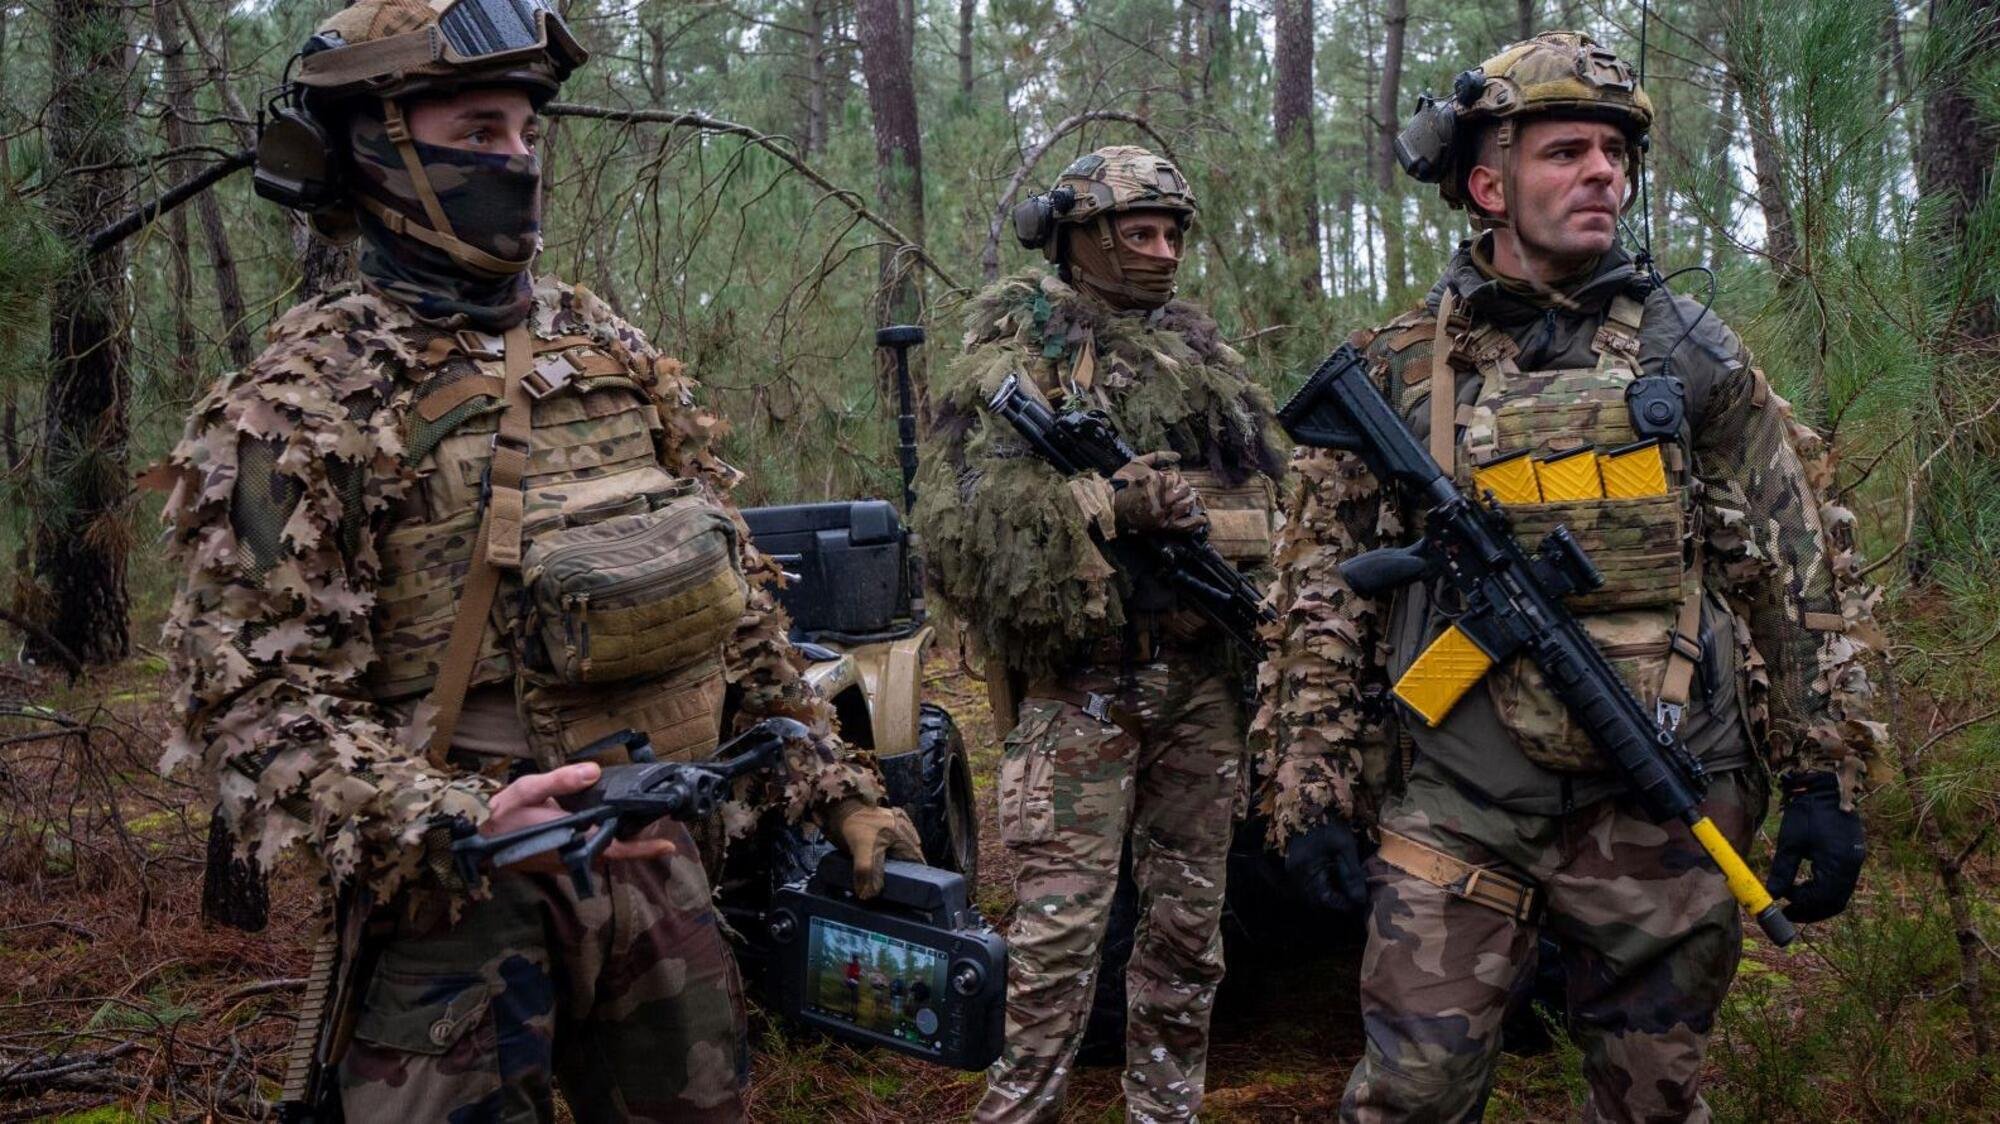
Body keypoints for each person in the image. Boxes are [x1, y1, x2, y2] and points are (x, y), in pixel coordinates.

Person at [159, 1, 920, 1119]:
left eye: (526, 133)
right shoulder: (301, 400)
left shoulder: (604, 346)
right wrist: (453, 820)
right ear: (371, 152)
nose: (515, 161)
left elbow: (734, 608)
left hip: (662, 874)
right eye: (477, 132)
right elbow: (253, 698)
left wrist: (839, 789)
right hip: (461, 915)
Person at [1259, 31, 1883, 1121]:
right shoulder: (1395, 366)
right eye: (1565, 151)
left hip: (1664, 792)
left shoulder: (1692, 354)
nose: (1602, 171)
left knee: (1650, 1099)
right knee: (1409, 1094)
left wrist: (1825, 779)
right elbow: (1318, 595)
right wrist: (1311, 789)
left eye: (1613, 151)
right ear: (1486, 182)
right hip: (1457, 796)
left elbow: (1800, 573)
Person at [913, 145, 1286, 1123]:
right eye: (1138, 231)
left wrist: (1210, 529)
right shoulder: (1009, 361)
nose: (1162, 251)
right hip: (1082, 688)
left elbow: (1267, 503)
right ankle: (1018, 1108)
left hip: (1201, 681)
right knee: (1057, 938)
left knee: (1184, 931)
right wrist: (1103, 504)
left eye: (1173, 232)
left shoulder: (1207, 364)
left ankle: (1165, 1108)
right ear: (1077, 237)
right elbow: (961, 528)